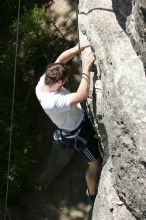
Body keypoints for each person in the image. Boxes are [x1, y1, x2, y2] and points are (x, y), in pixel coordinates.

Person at [35, 41, 102, 203]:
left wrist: (78, 47)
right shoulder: (53, 101)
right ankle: (92, 194)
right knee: (94, 164)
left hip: (77, 122)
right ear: (58, 83)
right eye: (64, 82)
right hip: (77, 134)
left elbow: (61, 59)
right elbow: (81, 95)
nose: (65, 82)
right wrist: (86, 69)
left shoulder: (45, 79)